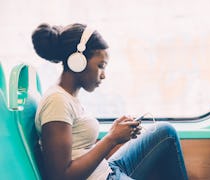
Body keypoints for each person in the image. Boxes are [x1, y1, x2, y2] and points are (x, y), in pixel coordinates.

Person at [32, 23, 188, 180]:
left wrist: (114, 132)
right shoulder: (57, 101)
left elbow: (80, 149)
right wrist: (112, 138)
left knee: (165, 132)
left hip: (107, 169)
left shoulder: (68, 97)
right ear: (78, 61)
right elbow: (61, 176)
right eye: (100, 66)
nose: (103, 75)